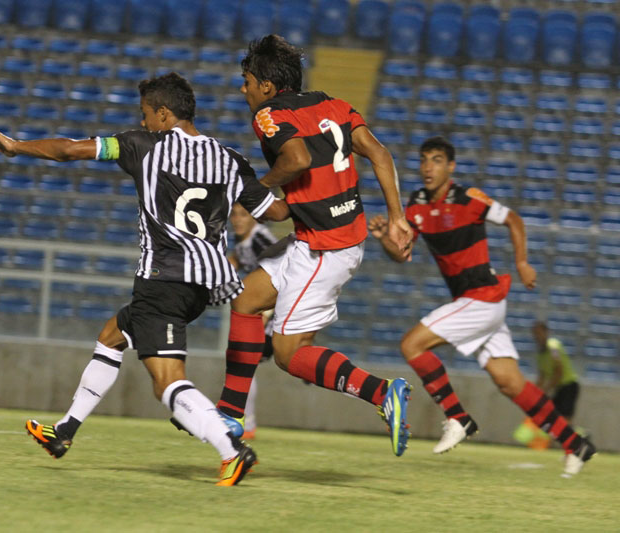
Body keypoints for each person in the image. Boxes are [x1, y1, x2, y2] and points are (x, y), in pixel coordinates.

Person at [0, 72, 290, 486]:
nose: (143, 123)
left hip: (162, 281)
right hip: (203, 286)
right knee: (112, 335)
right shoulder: (230, 159)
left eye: (146, 115)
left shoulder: (144, 146)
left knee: (166, 383)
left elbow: (70, 151)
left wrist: (16, 146)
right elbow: (277, 213)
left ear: (164, 114)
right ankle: (65, 431)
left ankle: (231, 450)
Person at [214, 34, 415, 457]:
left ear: (267, 86)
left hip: (326, 248)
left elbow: (298, 160)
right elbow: (379, 154)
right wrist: (398, 216)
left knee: (289, 355)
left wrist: (251, 191)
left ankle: (382, 393)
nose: (243, 89)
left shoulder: (268, 116)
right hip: (317, 238)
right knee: (246, 300)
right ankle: (230, 414)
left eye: (246, 80)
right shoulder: (334, 105)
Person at [368, 136, 596, 476]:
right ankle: (575, 444)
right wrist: (387, 238)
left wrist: (521, 263)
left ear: (451, 166)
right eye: (424, 160)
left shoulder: (470, 198)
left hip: (483, 297)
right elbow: (401, 254)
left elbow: (514, 220)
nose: (428, 167)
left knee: (411, 345)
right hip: (473, 302)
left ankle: (457, 417)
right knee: (510, 382)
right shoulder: (414, 205)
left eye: (436, 160)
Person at [227, 202, 278, 439]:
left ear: (256, 218)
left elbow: (281, 274)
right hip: (266, 312)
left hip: (276, 312)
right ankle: (247, 426)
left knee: (244, 361)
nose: (237, 219)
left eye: (243, 215)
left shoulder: (261, 241)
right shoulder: (245, 240)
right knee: (247, 361)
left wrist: (264, 314)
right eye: (234, 214)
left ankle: (246, 425)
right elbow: (234, 261)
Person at [533, 321, 580, 422]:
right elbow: (542, 376)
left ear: (546, 332)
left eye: (539, 333)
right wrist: (534, 393)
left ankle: (575, 436)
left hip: (569, 386)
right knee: (553, 417)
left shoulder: (554, 347)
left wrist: (546, 389)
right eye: (535, 334)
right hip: (559, 388)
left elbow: (559, 371)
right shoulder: (540, 355)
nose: (537, 336)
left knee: (564, 419)